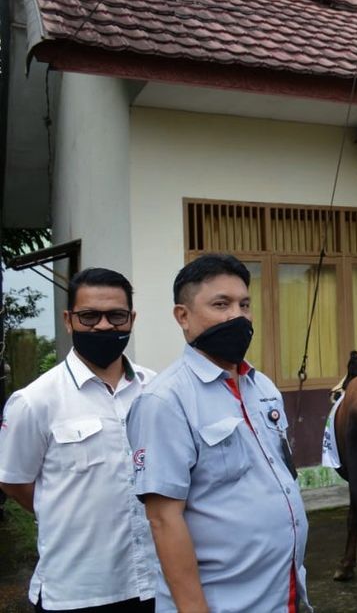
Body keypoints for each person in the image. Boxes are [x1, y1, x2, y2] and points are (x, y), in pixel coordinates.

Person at [126, 254, 311, 612]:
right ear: (183, 316)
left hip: (281, 596)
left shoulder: (263, 387)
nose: (237, 316)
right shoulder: (165, 401)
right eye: (220, 304)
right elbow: (164, 519)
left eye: (244, 304)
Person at [0, 268, 156, 612]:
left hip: (154, 582)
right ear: (69, 320)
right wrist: (65, 513)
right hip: (78, 591)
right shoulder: (35, 401)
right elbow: (16, 483)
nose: (103, 326)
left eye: (116, 316)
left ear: (131, 319)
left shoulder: (155, 390)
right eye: (89, 316)